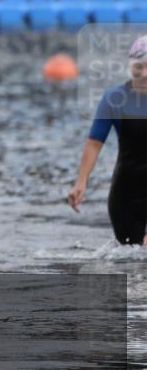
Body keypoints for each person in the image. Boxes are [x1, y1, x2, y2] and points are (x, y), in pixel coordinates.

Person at [68, 35, 147, 245]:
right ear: (131, 65)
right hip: (126, 197)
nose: (144, 73)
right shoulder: (114, 99)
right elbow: (94, 144)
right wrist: (81, 181)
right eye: (139, 66)